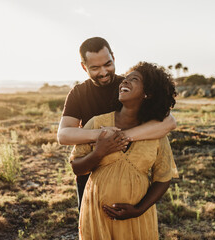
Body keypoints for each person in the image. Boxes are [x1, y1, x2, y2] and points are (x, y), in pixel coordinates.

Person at [57, 37, 177, 211]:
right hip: (90, 178)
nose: (104, 72)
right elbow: (63, 135)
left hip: (132, 182)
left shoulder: (128, 85)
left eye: (108, 64)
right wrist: (103, 136)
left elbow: (169, 122)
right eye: (95, 68)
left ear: (113, 57)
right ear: (84, 66)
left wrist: (121, 137)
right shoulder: (78, 94)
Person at [70, 61, 179, 239]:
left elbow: (163, 178)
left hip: (137, 219)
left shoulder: (157, 132)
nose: (124, 82)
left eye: (133, 79)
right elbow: (77, 168)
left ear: (148, 93)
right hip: (97, 215)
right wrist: (99, 152)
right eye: (125, 79)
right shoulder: (97, 123)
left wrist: (138, 209)